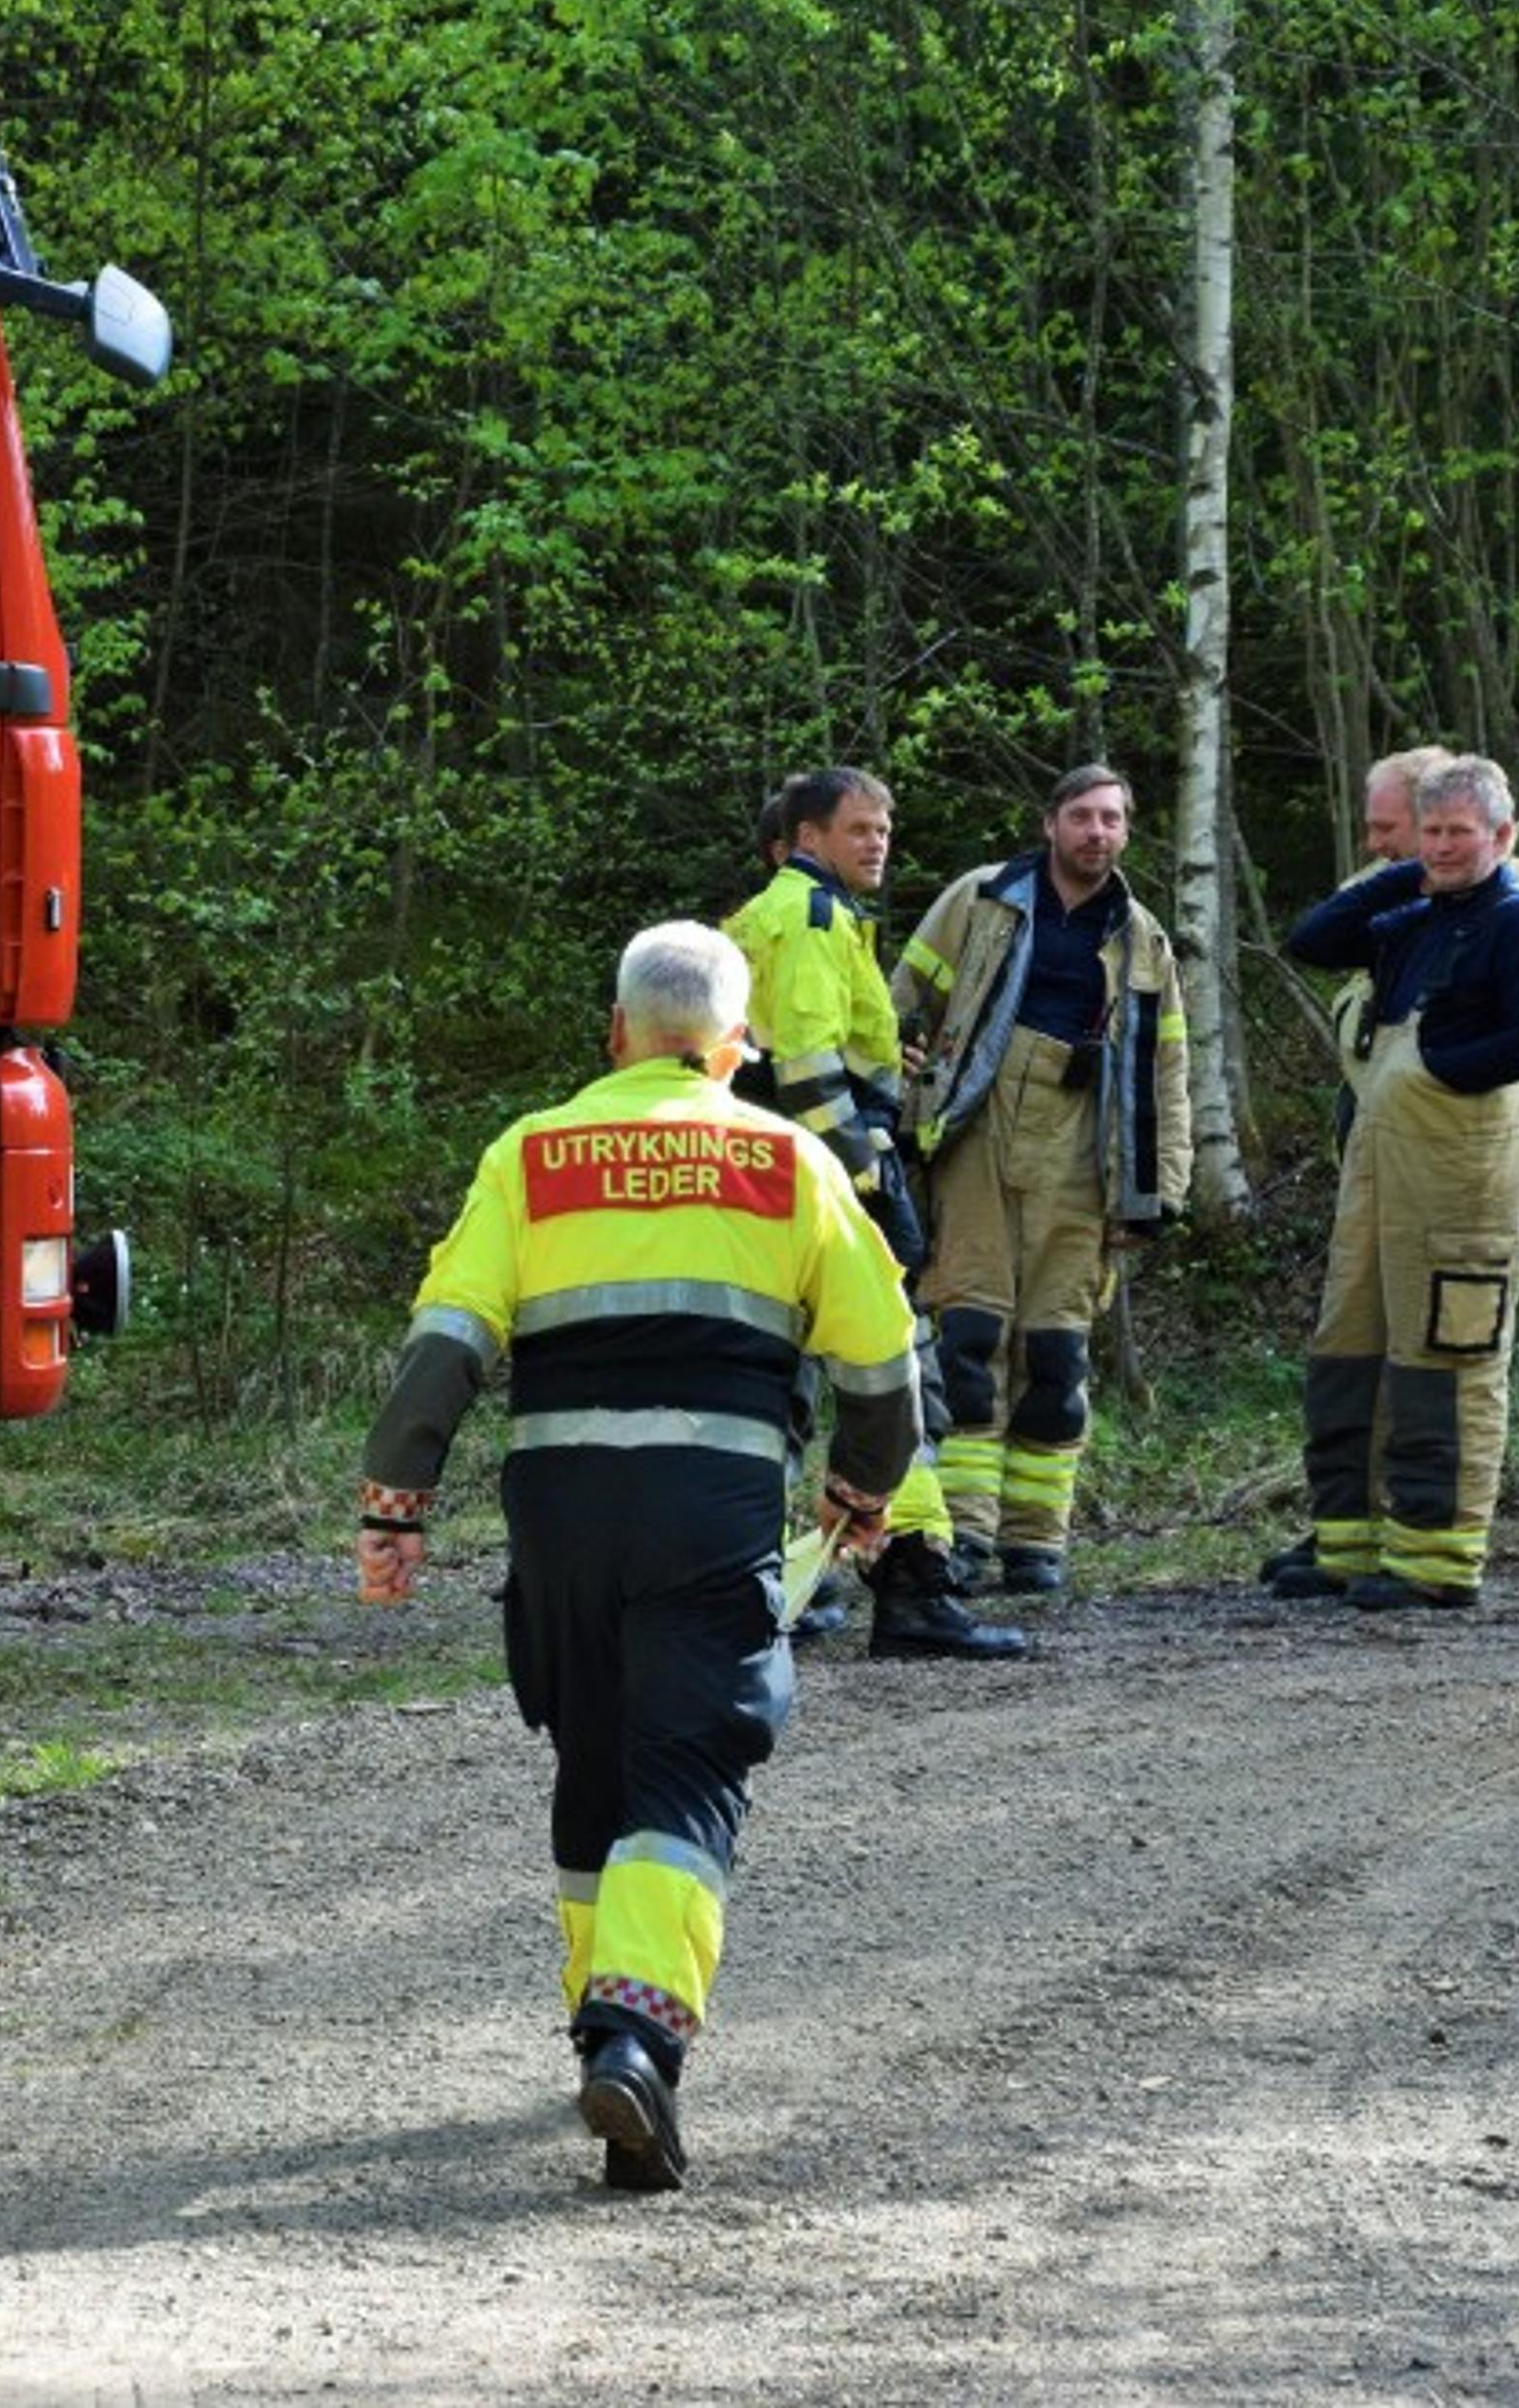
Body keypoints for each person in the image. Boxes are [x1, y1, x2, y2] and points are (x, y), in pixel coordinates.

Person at [351, 921, 921, 2194]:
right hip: (708, 1514)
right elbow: (882, 1362)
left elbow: (445, 1344)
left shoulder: (533, 1151)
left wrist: (396, 1506)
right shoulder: (789, 1159)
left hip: (558, 1517)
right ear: (735, 1050)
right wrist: (862, 1486)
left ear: (615, 1033)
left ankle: (599, 2031)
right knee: (695, 1768)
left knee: (596, 1768)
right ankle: (636, 2039)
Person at [1260, 746, 1519, 1593]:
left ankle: (1436, 1557)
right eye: (1429, 831)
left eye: (1459, 833)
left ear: (1504, 834)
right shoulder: (1422, 911)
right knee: (1352, 1340)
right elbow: (1313, 938)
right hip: (1385, 1161)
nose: (1440, 847)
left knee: (1447, 1351)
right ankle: (1350, 1540)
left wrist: (1440, 1061)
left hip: (1465, 1166)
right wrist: (1408, 872)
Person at [722, 768, 1027, 1660]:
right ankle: (914, 1584)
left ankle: (768, 1583)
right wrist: (864, 1176)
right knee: (901, 1374)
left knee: (778, 1389)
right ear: (809, 838)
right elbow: (813, 1072)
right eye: (859, 828)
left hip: (759, 1179)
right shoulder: (813, 919)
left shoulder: (769, 914)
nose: (878, 843)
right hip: (827, 1176)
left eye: (885, 828)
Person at [888, 765, 1192, 1596]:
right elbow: (900, 1003)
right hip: (977, 1134)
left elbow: (1168, 1070)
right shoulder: (982, 899)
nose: (1099, 833)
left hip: (1083, 1149)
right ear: (1051, 821)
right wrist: (897, 1069)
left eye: (1114, 820)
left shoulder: (1141, 938)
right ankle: (965, 1530)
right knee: (970, 1337)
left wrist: (1161, 1190)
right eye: (1084, 817)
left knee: (1055, 1351)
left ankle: (1036, 1541)